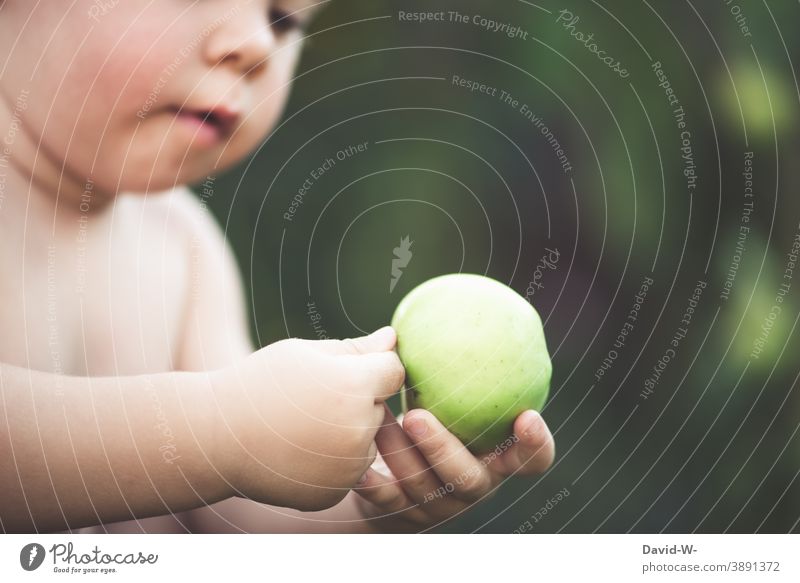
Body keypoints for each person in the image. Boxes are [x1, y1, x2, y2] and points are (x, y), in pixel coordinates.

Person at [0, 0, 555, 533]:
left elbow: (235, 517)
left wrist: (380, 503)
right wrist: (222, 432)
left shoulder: (183, 246)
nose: (255, 43)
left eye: (283, 19)